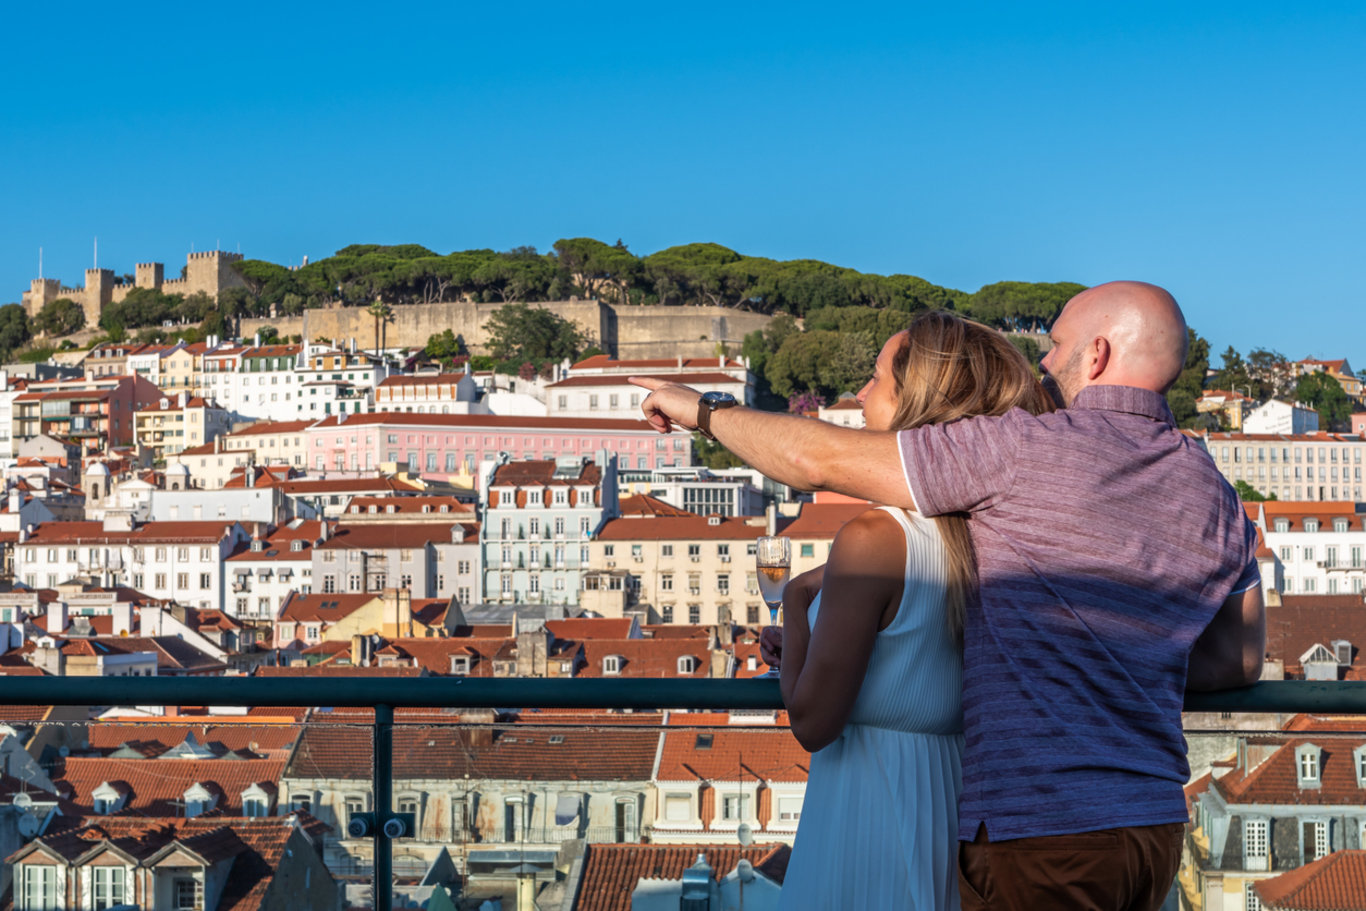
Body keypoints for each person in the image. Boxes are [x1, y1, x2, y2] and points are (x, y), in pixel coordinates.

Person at [632, 281, 1265, 911]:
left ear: (1096, 355)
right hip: (1154, 822)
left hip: (1040, 828)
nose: (1043, 362)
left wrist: (702, 408)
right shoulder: (1213, 489)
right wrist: (1117, 666)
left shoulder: (1021, 449)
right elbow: (1237, 662)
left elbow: (812, 458)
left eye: (1057, 344)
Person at [776, 312, 1054, 910]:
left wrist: (799, 606)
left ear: (914, 404)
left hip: (871, 803)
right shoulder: (1002, 532)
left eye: (875, 379)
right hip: (959, 802)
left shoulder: (874, 537)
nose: (860, 394)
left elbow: (810, 722)